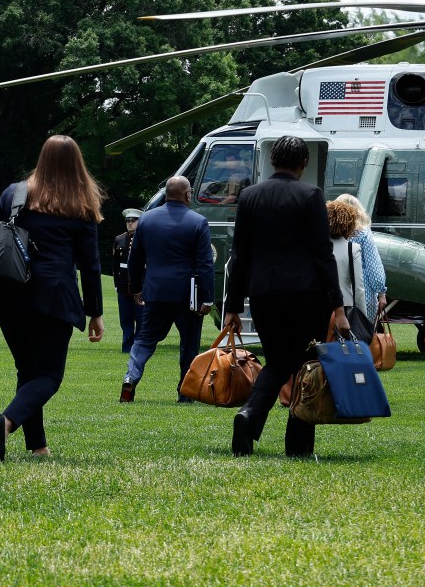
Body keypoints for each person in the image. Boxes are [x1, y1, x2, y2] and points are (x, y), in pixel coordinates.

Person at [224, 136, 350, 457]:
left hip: (263, 294)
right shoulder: (310, 196)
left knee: (277, 361)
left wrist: (233, 307)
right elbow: (323, 256)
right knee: (307, 365)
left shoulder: (250, 196)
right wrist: (338, 307)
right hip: (306, 296)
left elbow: (239, 256)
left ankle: (250, 414)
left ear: (273, 160)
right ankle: (298, 445)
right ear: (303, 163)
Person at [0, 135, 105, 461]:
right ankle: (5, 422)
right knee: (49, 376)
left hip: (11, 296)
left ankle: (37, 446)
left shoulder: (15, 193)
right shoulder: (81, 205)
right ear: (76, 164)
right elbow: (90, 266)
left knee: (27, 371)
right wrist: (95, 313)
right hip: (55, 298)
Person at [119, 176, 213, 404]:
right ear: (187, 195)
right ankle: (185, 392)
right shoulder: (198, 221)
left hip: (155, 292)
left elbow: (135, 259)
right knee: (189, 344)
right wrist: (208, 298)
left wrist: (137, 288)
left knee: (144, 339)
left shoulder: (146, 220)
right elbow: (205, 264)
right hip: (187, 295)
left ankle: (131, 377)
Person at [336, 193, 388, 321]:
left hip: (337, 295)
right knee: (362, 336)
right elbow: (373, 266)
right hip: (363, 296)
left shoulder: (331, 235)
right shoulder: (363, 234)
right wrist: (381, 292)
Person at [112, 208, 144, 353]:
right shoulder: (119, 239)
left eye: (133, 220)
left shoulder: (145, 239)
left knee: (141, 319)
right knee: (125, 318)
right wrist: (116, 285)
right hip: (123, 285)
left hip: (141, 286)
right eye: (128, 221)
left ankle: (138, 346)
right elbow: (115, 265)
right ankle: (126, 346)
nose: (130, 223)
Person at [328, 200, 367, 315]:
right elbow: (359, 288)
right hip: (344, 306)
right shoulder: (353, 249)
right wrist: (363, 316)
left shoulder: (315, 247)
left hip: (320, 305)